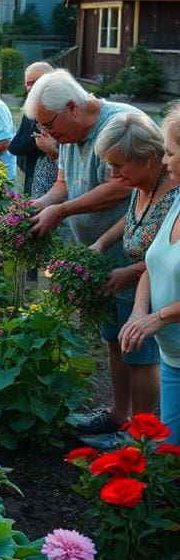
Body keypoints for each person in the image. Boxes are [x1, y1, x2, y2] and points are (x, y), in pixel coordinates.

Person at [25, 69, 156, 445]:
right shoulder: (69, 134)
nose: (49, 136)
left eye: (50, 125)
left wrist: (62, 212)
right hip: (102, 256)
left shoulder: (121, 126)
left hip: (134, 258)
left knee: (139, 344)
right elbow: (64, 185)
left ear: (71, 106)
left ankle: (139, 435)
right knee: (114, 338)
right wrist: (39, 206)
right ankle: (118, 416)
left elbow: (119, 189)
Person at [84, 113, 176, 447]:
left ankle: (138, 435)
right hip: (132, 289)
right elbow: (133, 218)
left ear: (149, 159)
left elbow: (164, 258)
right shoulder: (142, 185)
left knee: (142, 360)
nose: (112, 174)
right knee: (119, 347)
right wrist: (102, 243)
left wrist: (129, 272)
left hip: (158, 299)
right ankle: (118, 418)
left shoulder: (174, 194)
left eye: (119, 165)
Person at [121, 106, 180, 441]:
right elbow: (152, 264)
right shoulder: (177, 200)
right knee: (169, 459)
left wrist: (161, 316)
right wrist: (139, 312)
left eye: (170, 153)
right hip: (173, 356)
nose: (164, 162)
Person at [9, 62, 59, 197]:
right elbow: (15, 146)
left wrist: (51, 149)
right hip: (33, 180)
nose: (31, 88)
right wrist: (38, 142)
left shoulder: (61, 109)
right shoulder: (30, 110)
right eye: (28, 83)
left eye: (35, 82)